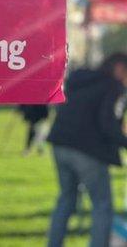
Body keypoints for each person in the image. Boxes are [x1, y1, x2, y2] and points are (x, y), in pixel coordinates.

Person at [47, 52, 127, 247]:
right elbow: (108, 123)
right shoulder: (112, 86)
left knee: (66, 199)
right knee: (102, 205)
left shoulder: (80, 79)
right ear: (119, 68)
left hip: (60, 143)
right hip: (87, 150)